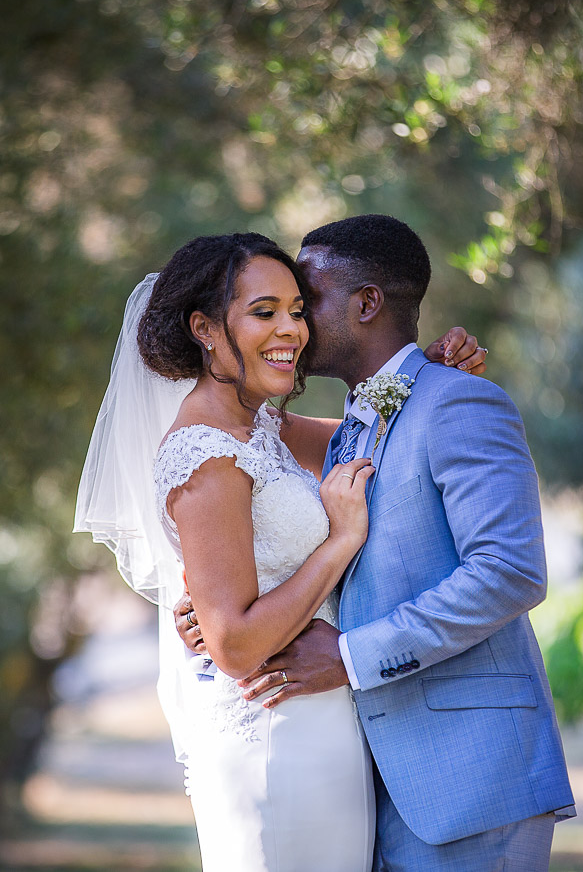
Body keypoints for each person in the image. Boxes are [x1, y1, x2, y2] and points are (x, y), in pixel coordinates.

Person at [74, 231, 487, 872]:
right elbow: (235, 645)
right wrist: (341, 542)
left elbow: (370, 430)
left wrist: (424, 372)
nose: (292, 329)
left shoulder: (259, 428)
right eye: (264, 312)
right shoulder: (205, 455)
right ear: (206, 329)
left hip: (322, 726)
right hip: (274, 738)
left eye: (297, 310)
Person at [176, 215, 575, 870]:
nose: (295, 325)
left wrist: (354, 657)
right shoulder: (353, 429)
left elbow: (510, 572)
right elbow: (250, 459)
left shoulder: (461, 405)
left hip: (469, 774)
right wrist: (223, 608)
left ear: (367, 303)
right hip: (366, 778)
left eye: (307, 302)